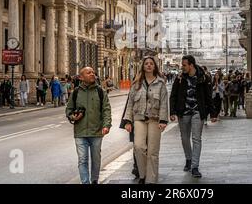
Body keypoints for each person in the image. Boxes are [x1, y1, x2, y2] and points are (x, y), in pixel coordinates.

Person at [170, 55, 218, 178]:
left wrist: (213, 113)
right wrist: (172, 112)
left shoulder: (204, 78)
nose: (182, 67)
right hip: (183, 112)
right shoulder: (180, 78)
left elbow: (208, 96)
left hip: (198, 112)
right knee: (184, 138)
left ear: (191, 65)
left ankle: (195, 166)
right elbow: (173, 95)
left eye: (184, 65)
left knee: (196, 139)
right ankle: (189, 158)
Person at [123, 56, 168, 184]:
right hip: (139, 119)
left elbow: (164, 103)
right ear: (143, 66)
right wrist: (127, 121)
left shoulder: (161, 83)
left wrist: (163, 120)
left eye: (151, 64)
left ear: (155, 67)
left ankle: (151, 179)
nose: (148, 65)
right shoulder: (136, 83)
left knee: (153, 151)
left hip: (155, 119)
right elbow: (130, 103)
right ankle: (142, 175)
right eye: (146, 63)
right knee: (138, 147)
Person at [66, 67, 112, 184]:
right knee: (82, 160)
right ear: (81, 77)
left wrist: (106, 125)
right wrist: (73, 117)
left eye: (93, 72)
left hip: (96, 132)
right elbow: (69, 110)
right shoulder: (76, 92)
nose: (92, 74)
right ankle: (85, 182)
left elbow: (106, 110)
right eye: (89, 73)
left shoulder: (101, 92)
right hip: (80, 132)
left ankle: (94, 180)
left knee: (96, 160)